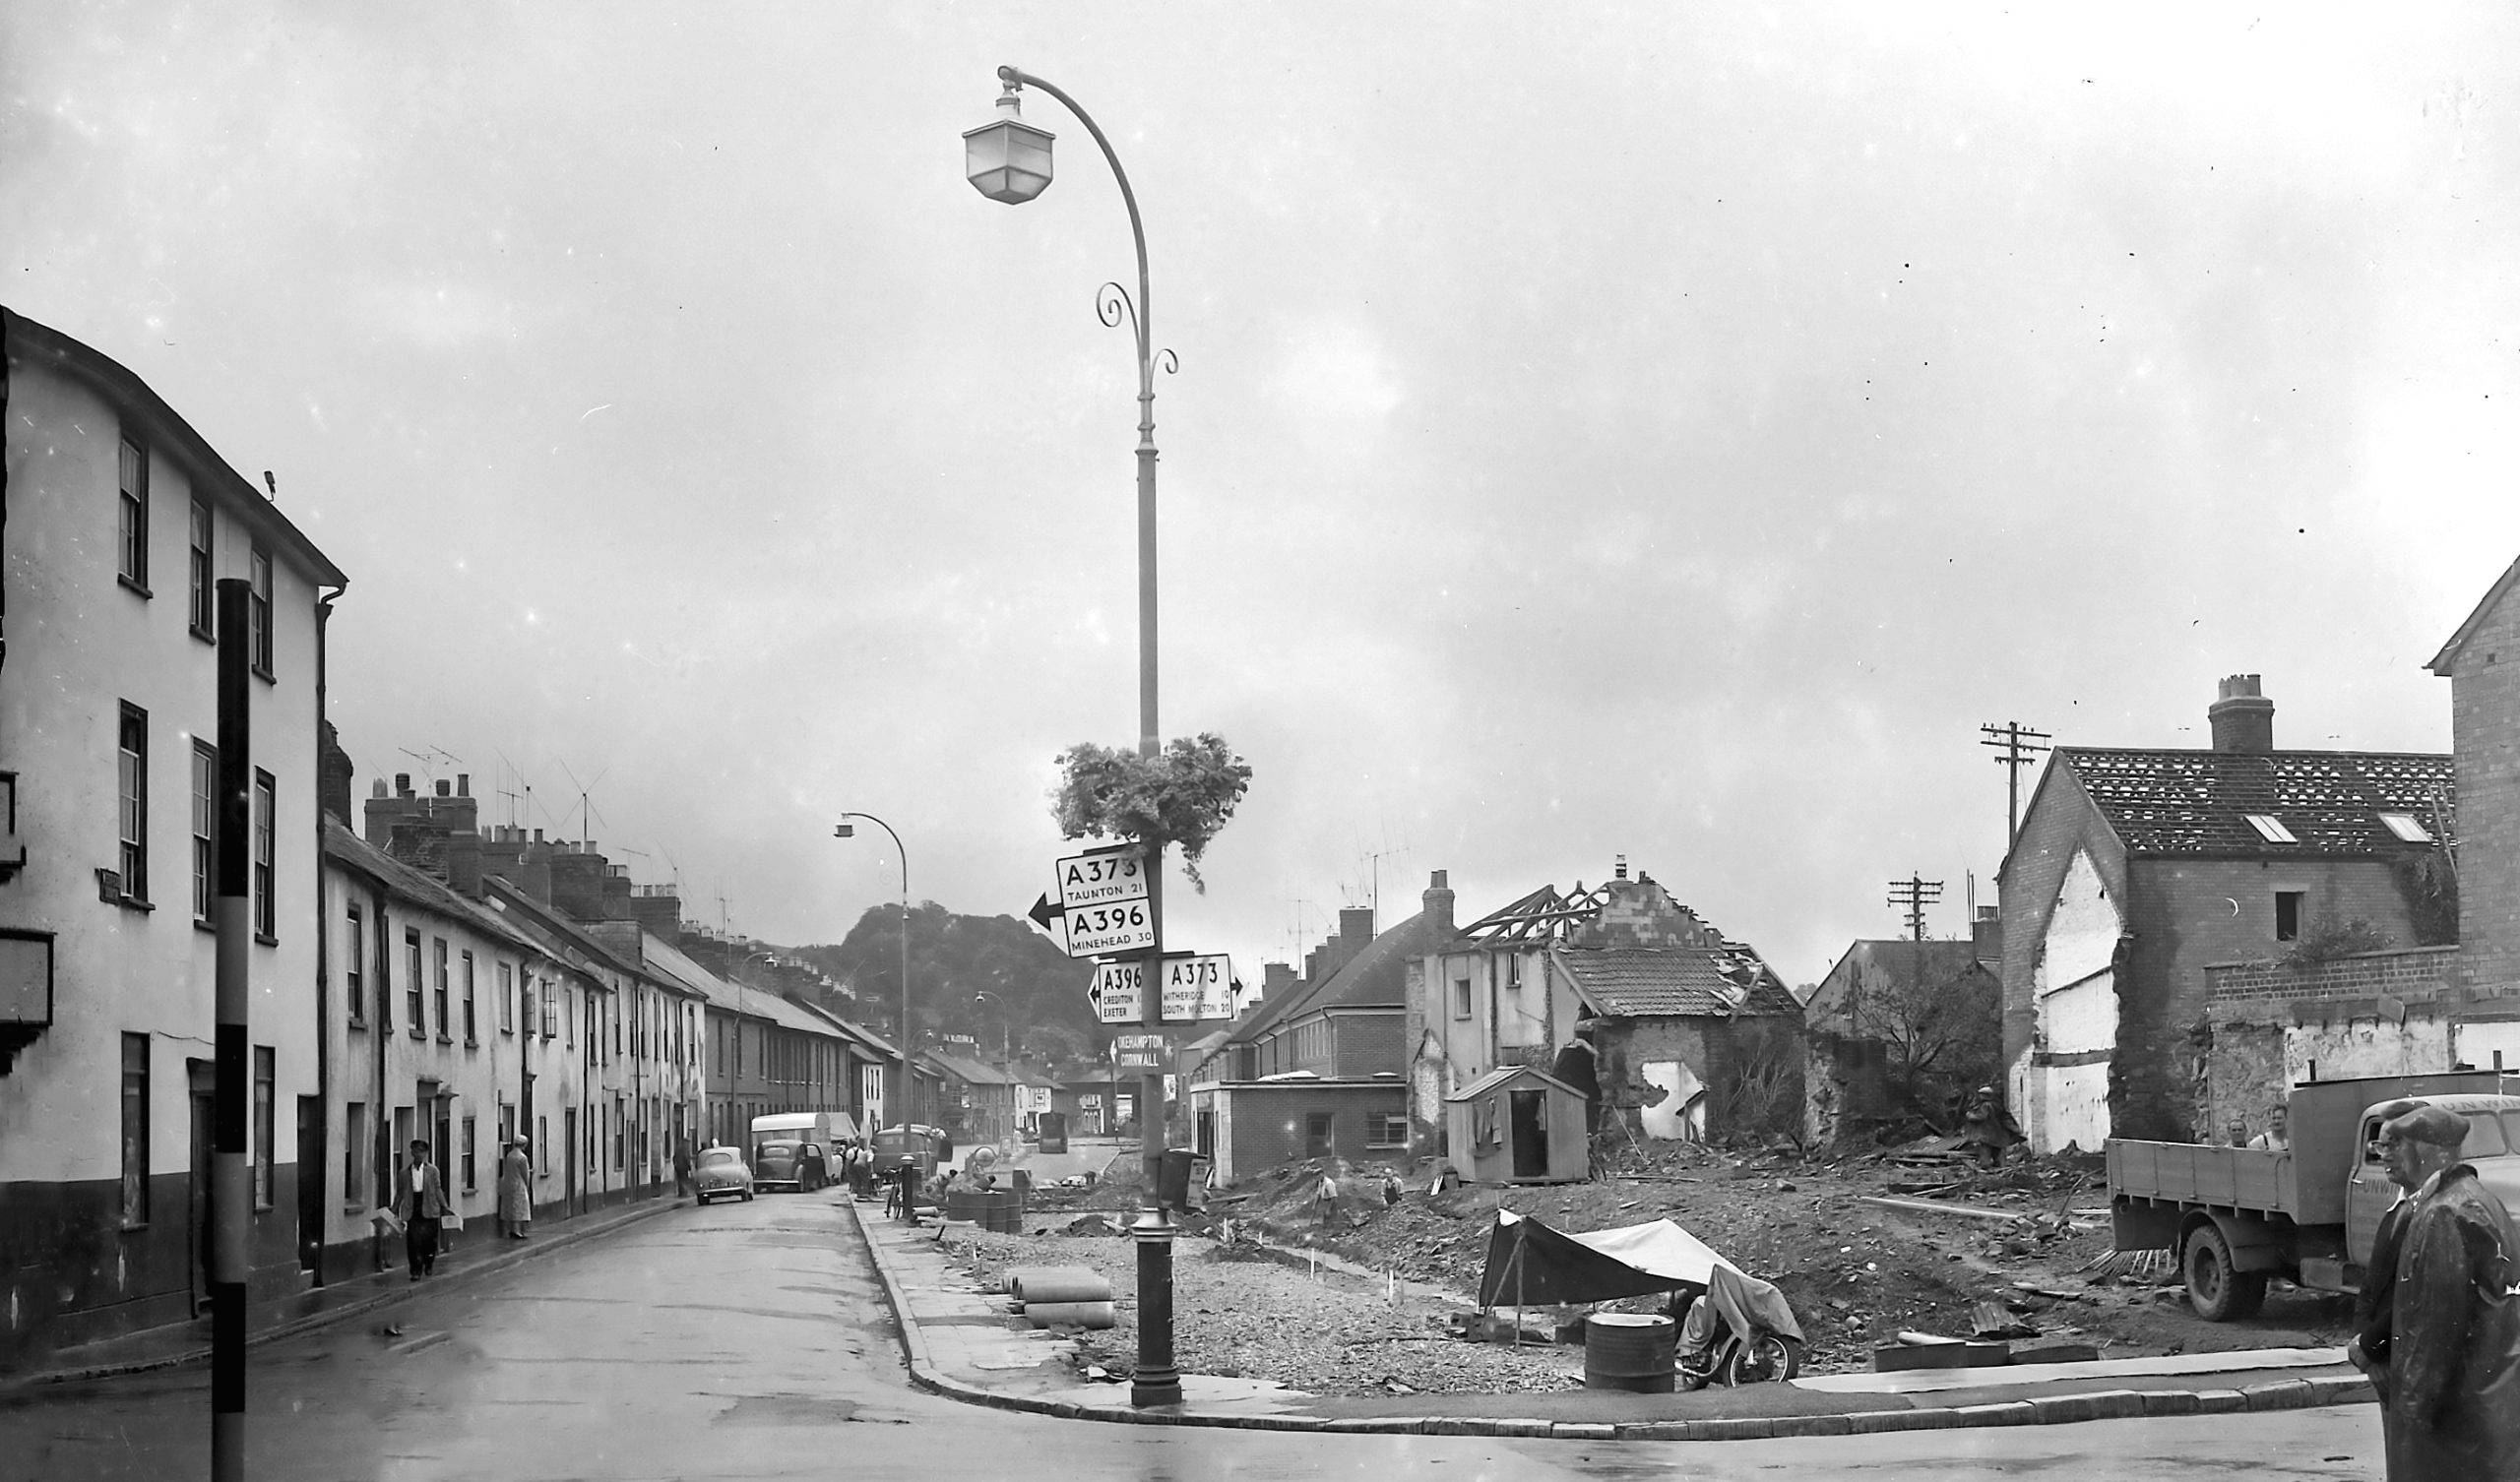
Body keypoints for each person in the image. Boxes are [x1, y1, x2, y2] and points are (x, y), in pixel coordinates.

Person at [2372, 1102, 2520, 1480]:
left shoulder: (2442, 1213)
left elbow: (2436, 1325)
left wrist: (2412, 1409)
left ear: (2424, 1149)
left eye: (2400, 1144)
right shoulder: (2479, 1199)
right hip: (2487, 1399)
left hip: (2458, 1413)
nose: (2392, 1154)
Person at [2347, 1099, 2423, 1419]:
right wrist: (2366, 1348)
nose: (2384, 1154)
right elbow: (2372, 1286)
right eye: (2381, 1144)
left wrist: (2372, 1348)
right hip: (2383, 1359)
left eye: (2394, 1144)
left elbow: (2415, 1295)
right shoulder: (2399, 1208)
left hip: (2407, 1361)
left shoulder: (2430, 1211)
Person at [395, 1139, 451, 1280]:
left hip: (430, 1207)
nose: (418, 1154)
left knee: (430, 1242)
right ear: (412, 1152)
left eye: (421, 1151)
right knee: (414, 1242)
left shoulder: (432, 1171)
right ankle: (415, 1271)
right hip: (413, 1207)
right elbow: (400, 1192)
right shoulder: (404, 1173)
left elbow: (438, 1189)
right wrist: (394, 1208)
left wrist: (444, 1206)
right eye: (415, 1151)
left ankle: (429, 1263)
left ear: (426, 1153)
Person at [499, 1138, 535, 1240]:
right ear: (524, 1144)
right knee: (520, 1207)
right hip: (519, 1183)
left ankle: (511, 1229)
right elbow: (525, 1173)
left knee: (511, 1206)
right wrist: (527, 1184)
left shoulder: (510, 1155)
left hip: (508, 1182)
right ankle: (517, 1230)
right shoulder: (522, 1157)